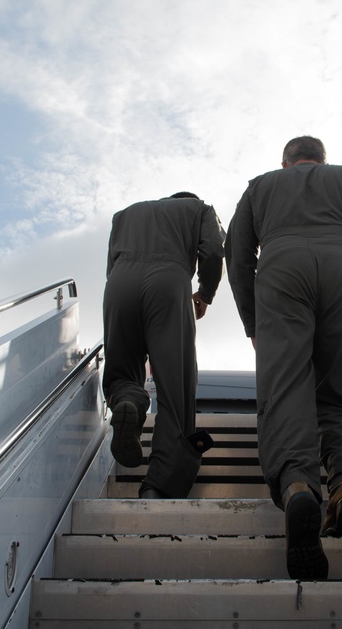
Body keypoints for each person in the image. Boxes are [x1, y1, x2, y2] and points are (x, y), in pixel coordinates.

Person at [225, 136, 342, 579]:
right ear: (323, 161)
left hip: (282, 268)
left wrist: (253, 323)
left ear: (285, 163)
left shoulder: (261, 187)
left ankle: (299, 487)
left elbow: (236, 254)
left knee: (287, 386)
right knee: (339, 384)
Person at [103, 192, 226, 500]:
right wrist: (205, 294)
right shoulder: (199, 209)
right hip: (168, 284)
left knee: (122, 371)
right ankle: (159, 484)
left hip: (119, 284)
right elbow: (213, 251)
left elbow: (111, 264)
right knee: (175, 389)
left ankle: (128, 402)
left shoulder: (125, 212)